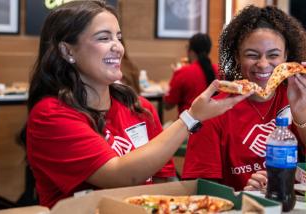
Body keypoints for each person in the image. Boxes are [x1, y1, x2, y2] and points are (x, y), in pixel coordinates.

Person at [26, 0, 249, 208]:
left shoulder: (138, 106)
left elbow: (165, 181)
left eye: (118, 37)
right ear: (67, 51)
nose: (118, 47)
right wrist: (190, 118)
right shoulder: (51, 115)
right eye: (104, 38)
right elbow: (119, 176)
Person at [182, 5, 306, 192]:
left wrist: (300, 110)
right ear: (237, 57)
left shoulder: (294, 97)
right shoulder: (214, 111)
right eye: (252, 55)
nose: (263, 64)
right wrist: (243, 197)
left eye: (273, 55)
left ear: (286, 56)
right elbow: (200, 191)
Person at [164, 33, 219, 115]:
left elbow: (168, 105)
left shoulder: (183, 72)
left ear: (191, 51)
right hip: (214, 124)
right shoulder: (218, 70)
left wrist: (166, 88)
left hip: (188, 125)